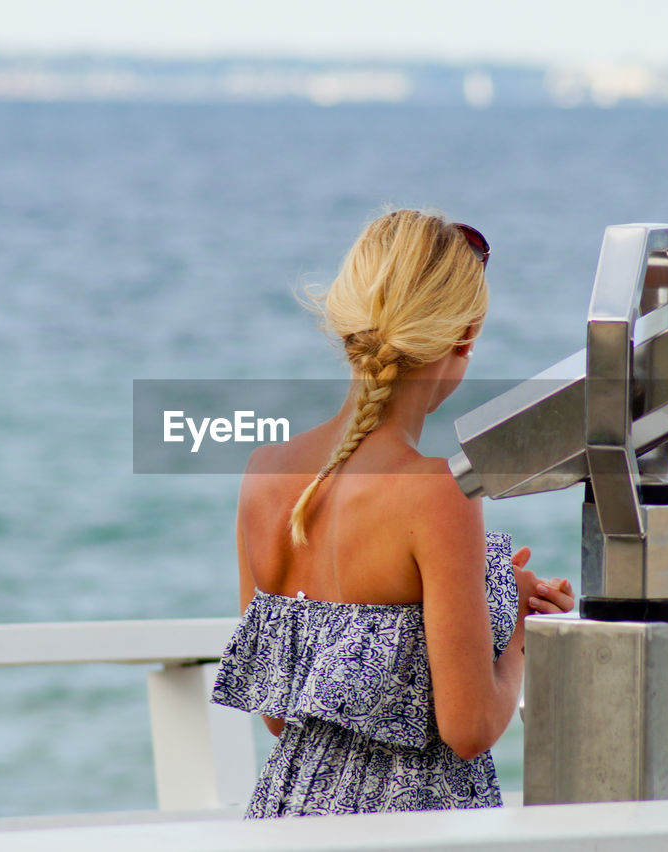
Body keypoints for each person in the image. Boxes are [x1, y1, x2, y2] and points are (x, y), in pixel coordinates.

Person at [210, 209, 575, 817]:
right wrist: (517, 631)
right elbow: (470, 728)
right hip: (406, 827)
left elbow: (279, 714)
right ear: (466, 336)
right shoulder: (436, 492)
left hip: (284, 819)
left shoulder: (266, 473)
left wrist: (495, 597)